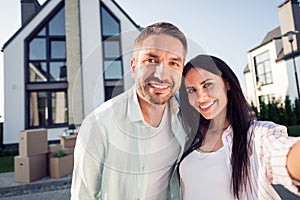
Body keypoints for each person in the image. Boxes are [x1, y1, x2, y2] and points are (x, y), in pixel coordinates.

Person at [71, 22, 188, 200]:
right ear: (134, 67)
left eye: (173, 63)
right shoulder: (99, 124)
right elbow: (83, 196)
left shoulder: (185, 120)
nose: (162, 74)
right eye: (151, 60)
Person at [179, 54, 300, 199]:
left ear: (227, 83)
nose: (201, 97)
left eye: (208, 85)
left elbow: (281, 151)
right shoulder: (190, 136)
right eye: (192, 90)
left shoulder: (256, 135)